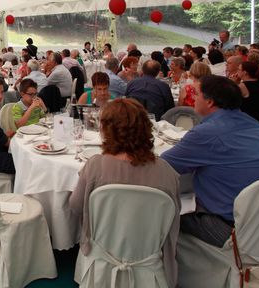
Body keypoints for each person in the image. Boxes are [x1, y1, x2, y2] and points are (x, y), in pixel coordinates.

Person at [70, 98, 180, 288]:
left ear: (107, 131)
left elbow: (76, 206)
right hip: (147, 259)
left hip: (103, 255)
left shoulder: (96, 166)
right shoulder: (167, 173)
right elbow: (171, 219)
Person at [163, 76, 259, 247]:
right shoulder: (252, 124)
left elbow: (162, 167)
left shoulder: (207, 133)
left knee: (162, 219)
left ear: (210, 102)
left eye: (197, 94)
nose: (194, 98)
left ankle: (178, 272)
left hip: (231, 230)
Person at [235, 62, 259, 126]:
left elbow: (229, 100)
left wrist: (234, 83)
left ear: (245, 72)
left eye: (238, 69)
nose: (237, 71)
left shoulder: (242, 86)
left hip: (250, 120)